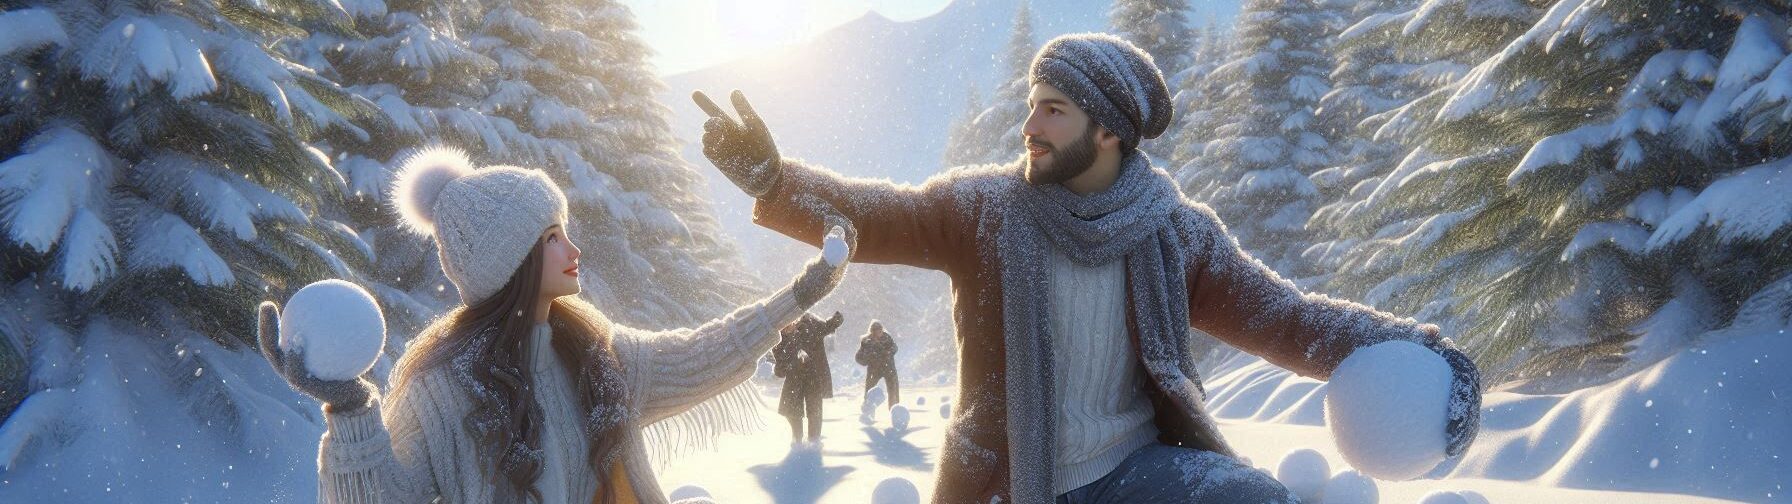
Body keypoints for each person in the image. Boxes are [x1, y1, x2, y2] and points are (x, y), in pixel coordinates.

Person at [692, 33, 1481, 503]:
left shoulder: (1176, 234)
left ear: (1107, 131)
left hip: (1138, 472)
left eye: (1052, 109)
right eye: (1032, 103)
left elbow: (1287, 317)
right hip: (1011, 479)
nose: (1027, 123)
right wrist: (773, 179)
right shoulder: (985, 212)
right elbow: (879, 214)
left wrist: (1419, 350)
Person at [256, 147, 853, 503]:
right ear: (510, 263)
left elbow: (701, 353)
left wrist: (800, 294)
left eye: (564, 231)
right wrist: (351, 411)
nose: (571, 249)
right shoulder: (439, 390)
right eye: (551, 238)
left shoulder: (597, 352)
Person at [770, 311, 843, 443]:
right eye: (785, 325)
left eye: (790, 322)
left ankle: (814, 441)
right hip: (794, 377)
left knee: (814, 409)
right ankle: (797, 438)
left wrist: (836, 319)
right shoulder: (780, 337)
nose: (788, 326)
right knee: (791, 410)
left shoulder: (810, 323)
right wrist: (785, 340)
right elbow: (780, 361)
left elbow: (827, 327)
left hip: (814, 375)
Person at [854, 320, 899, 409]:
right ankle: (867, 410)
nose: (878, 333)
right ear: (871, 332)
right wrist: (867, 359)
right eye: (875, 331)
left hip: (889, 368)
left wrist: (887, 352)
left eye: (880, 331)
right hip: (874, 370)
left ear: (882, 330)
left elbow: (895, 348)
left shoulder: (887, 338)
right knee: (869, 391)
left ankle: (895, 411)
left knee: (893, 391)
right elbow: (858, 357)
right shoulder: (867, 342)